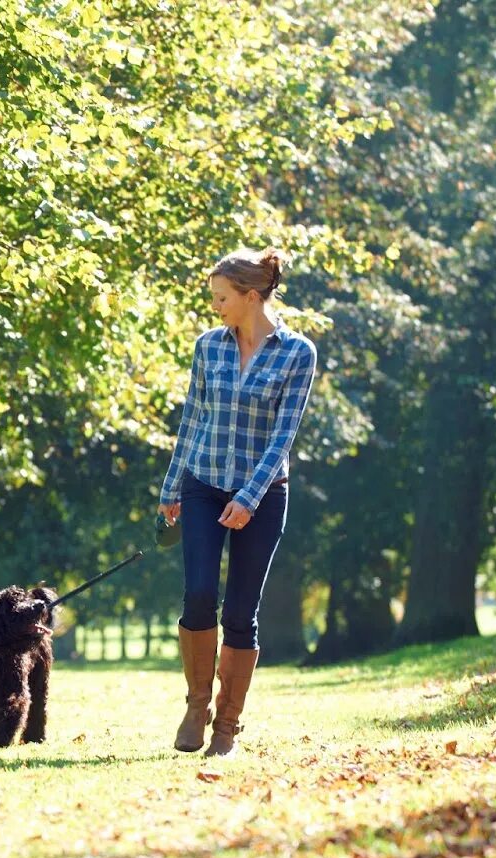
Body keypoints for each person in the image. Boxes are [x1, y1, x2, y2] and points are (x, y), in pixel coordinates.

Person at [158, 248, 317, 757]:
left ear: (252, 296)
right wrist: (170, 489)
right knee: (199, 594)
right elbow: (192, 421)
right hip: (202, 483)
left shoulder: (298, 354)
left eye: (221, 297)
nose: (215, 306)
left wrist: (249, 497)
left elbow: (283, 437)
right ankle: (196, 704)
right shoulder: (208, 346)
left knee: (242, 613)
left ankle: (227, 726)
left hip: (264, 495)